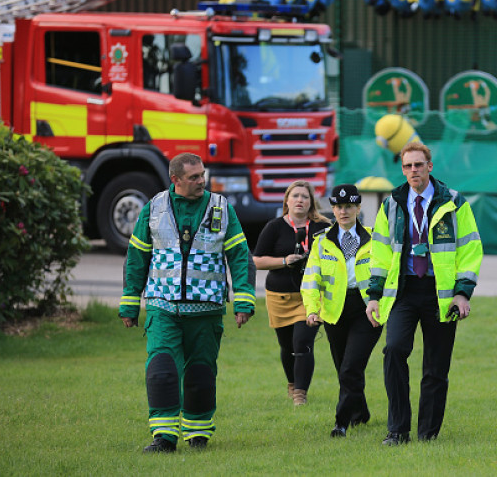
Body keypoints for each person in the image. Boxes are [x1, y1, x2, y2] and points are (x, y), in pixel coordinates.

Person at [119, 152, 256, 454]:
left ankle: (198, 434)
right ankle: (164, 438)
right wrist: (130, 302)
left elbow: (240, 254)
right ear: (175, 180)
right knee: (162, 370)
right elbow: (137, 257)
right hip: (162, 306)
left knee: (200, 373)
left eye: (202, 175)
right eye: (194, 177)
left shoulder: (222, 207)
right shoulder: (153, 208)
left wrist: (244, 300)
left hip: (206, 309)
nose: (201, 181)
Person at [365, 142, 483, 445]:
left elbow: (470, 249)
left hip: (440, 294)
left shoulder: (454, 202)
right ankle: (397, 431)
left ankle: (428, 433)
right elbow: (379, 252)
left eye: (418, 165)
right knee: (393, 351)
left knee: (436, 366)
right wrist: (374, 295)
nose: (413, 171)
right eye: (407, 166)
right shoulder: (391, 202)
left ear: (430, 166)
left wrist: (462, 293)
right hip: (403, 291)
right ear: (402, 169)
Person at [301, 184, 383, 438]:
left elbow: (387, 275)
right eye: (338, 206)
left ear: (359, 208)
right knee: (344, 369)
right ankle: (361, 412)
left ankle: (341, 423)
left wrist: (380, 301)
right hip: (334, 311)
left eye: (349, 206)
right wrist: (312, 309)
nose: (343, 211)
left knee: (350, 368)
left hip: (367, 310)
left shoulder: (376, 239)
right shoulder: (321, 242)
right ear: (332, 209)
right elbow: (311, 279)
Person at [253, 180, 331, 405]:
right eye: (295, 196)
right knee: (287, 346)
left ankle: (300, 394)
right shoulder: (274, 227)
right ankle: (292, 383)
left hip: (311, 297)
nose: (300, 200)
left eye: (305, 197)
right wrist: (285, 261)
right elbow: (257, 261)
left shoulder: (323, 227)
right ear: (287, 200)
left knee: (302, 343)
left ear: (311, 202)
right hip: (280, 297)